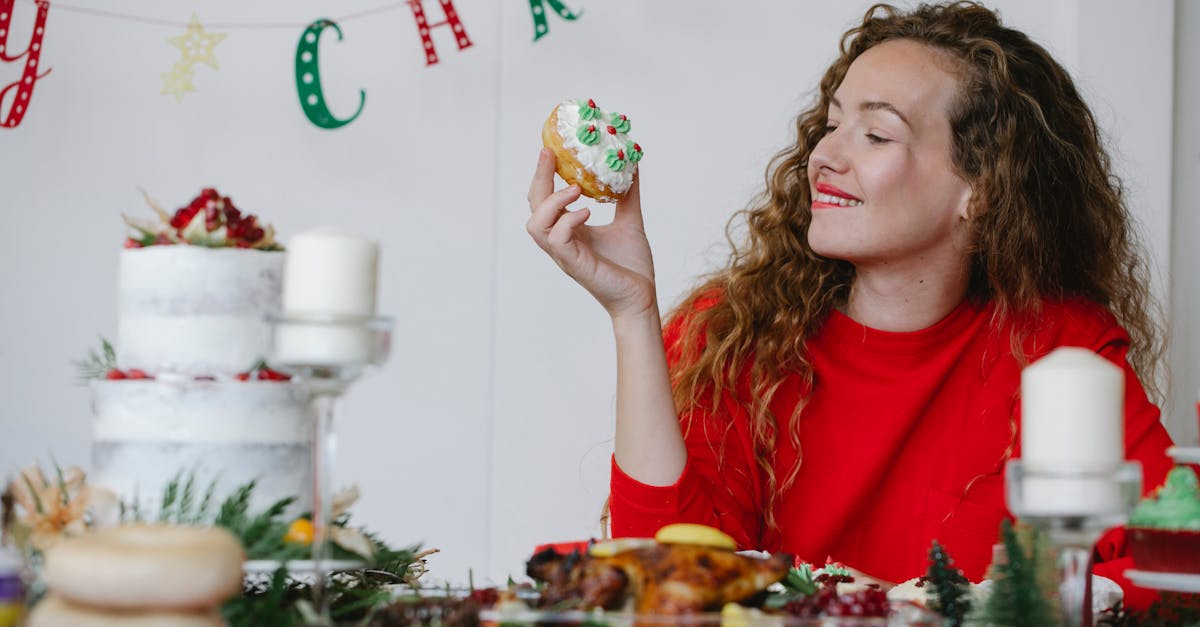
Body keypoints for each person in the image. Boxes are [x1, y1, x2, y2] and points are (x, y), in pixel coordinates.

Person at [526, 0, 1176, 609]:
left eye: (876, 134)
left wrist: (941, 608)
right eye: (833, 124)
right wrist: (632, 314)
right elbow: (665, 580)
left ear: (980, 188)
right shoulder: (732, 333)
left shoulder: (1061, 351)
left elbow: (1169, 567)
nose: (823, 156)